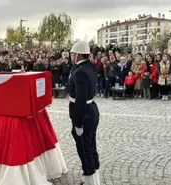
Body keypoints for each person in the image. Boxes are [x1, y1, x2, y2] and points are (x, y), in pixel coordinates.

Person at [68, 40, 100, 185]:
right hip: (91, 109)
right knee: (91, 144)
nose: (71, 56)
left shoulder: (80, 72)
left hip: (84, 113)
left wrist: (78, 122)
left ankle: (90, 178)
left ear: (79, 55)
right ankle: (93, 172)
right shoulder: (89, 67)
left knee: (84, 147)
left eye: (73, 54)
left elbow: (80, 99)